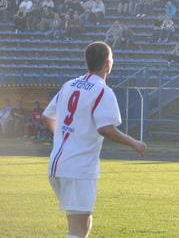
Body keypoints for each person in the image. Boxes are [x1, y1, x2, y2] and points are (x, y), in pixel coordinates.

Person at [42, 42, 147, 238]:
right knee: (77, 228)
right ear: (108, 63)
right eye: (112, 59)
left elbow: (48, 116)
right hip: (79, 167)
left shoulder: (69, 85)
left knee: (81, 224)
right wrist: (134, 143)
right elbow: (105, 128)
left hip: (57, 165)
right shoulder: (102, 91)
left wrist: (66, 138)